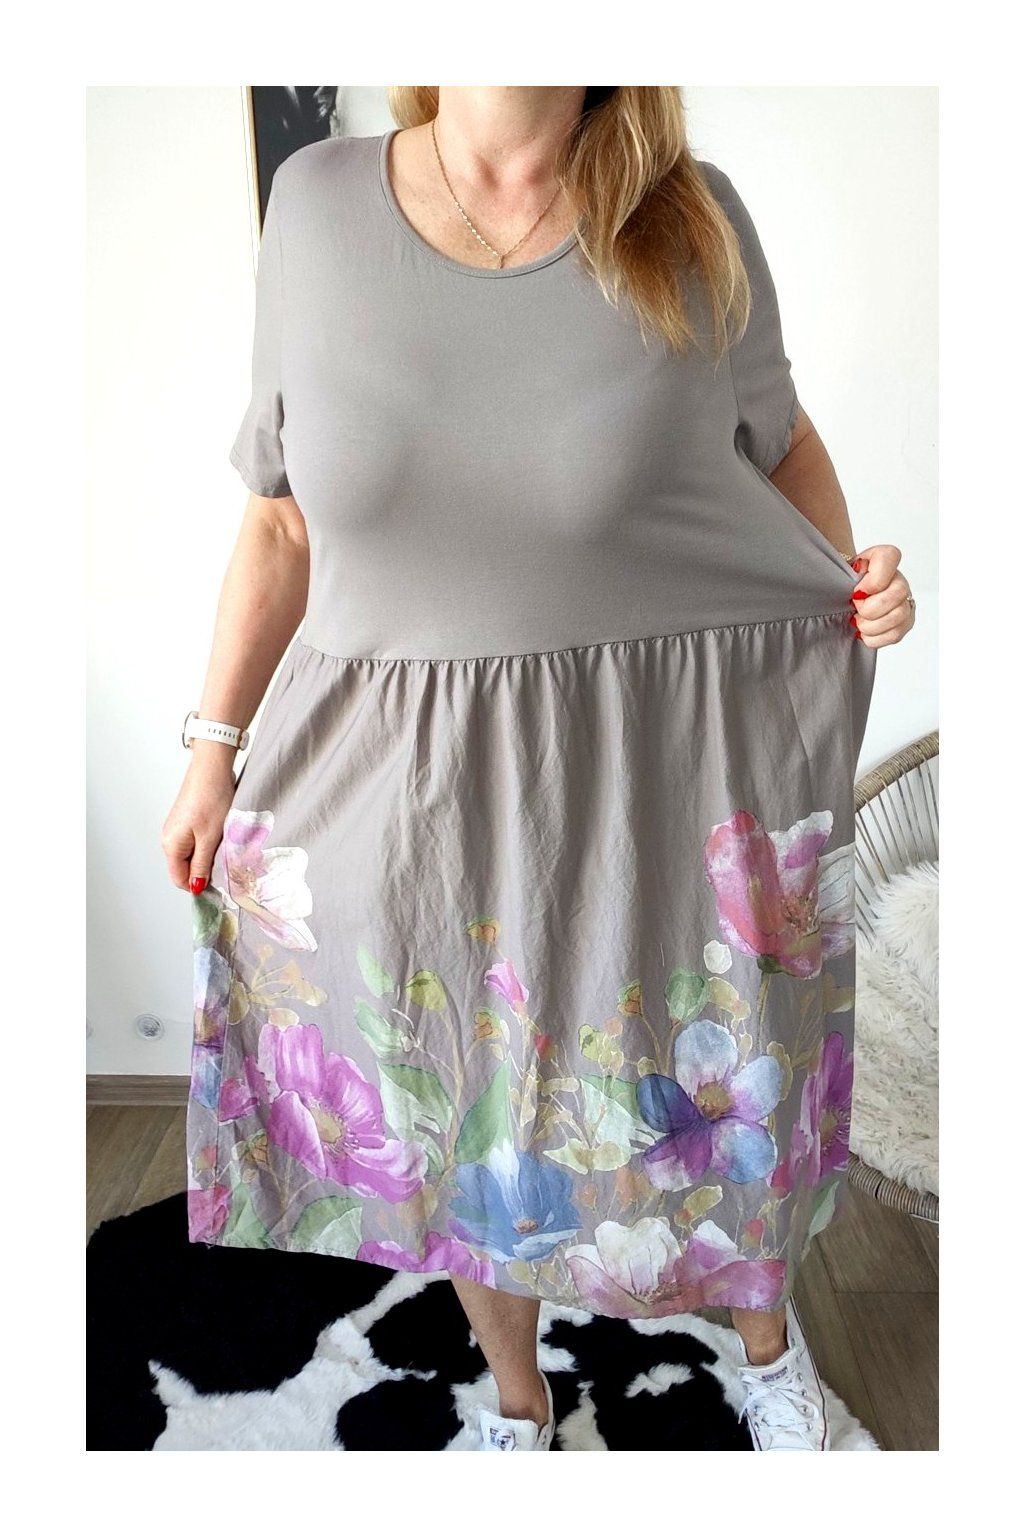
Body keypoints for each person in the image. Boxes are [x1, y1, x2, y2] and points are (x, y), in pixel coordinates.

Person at [166, 87, 915, 1453]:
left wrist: (839, 585)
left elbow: (782, 442)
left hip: (646, 773)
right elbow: (279, 521)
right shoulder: (316, 208)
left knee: (721, 1066)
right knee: (466, 1118)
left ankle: (766, 1346)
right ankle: (519, 1401)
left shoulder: (690, 219)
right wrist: (211, 751)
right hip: (399, 785)